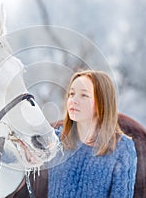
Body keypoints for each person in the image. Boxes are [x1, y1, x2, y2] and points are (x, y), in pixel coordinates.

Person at [48, 70, 137, 198]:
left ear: (102, 102)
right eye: (71, 94)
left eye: (84, 95)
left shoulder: (123, 149)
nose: (73, 100)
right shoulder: (55, 140)